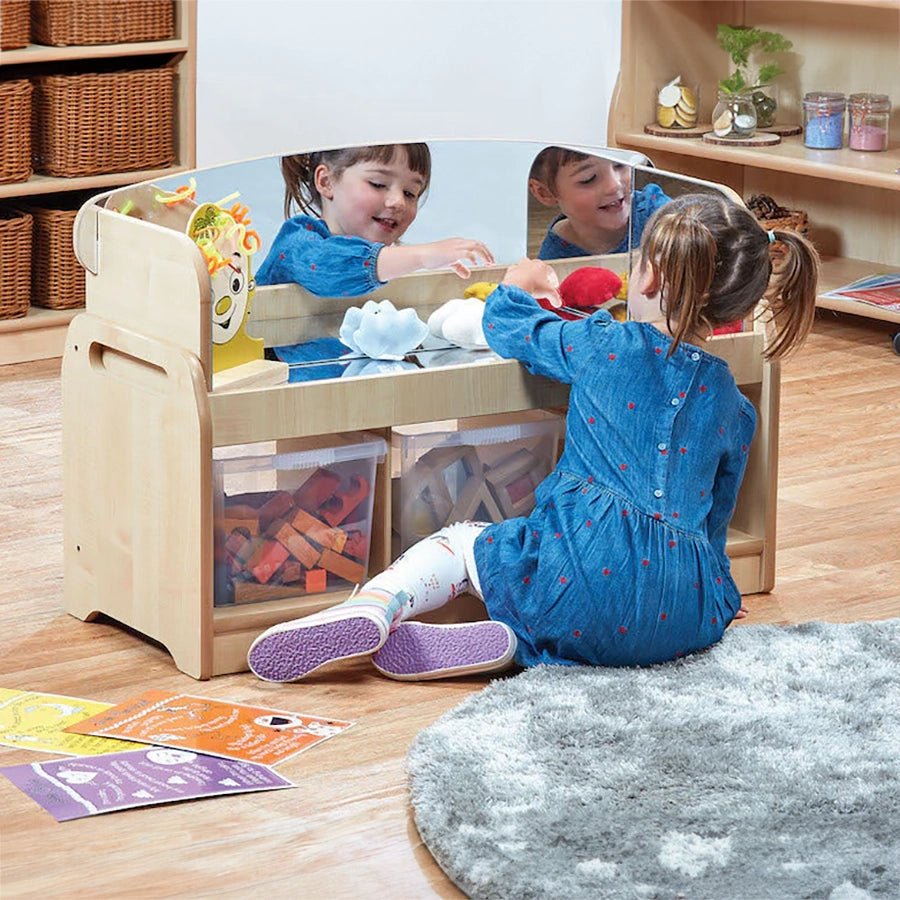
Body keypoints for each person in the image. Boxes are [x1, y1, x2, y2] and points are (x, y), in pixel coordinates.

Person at [247, 192, 819, 683]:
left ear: (648, 276)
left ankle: (376, 606)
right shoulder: (734, 405)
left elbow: (511, 329)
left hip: (580, 579)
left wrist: (513, 285)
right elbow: (714, 524)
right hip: (685, 611)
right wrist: (711, 591)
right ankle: (517, 646)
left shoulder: (604, 345)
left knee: (463, 541)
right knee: (612, 599)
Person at [255, 143, 495, 296]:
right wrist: (421, 256)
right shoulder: (297, 243)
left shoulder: (393, 267)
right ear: (326, 182)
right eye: (378, 184)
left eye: (410, 193)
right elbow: (330, 268)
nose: (398, 202)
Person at [528, 145, 671, 260]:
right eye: (588, 178)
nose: (614, 185)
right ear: (544, 192)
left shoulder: (659, 213)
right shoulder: (554, 259)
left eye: (620, 165)